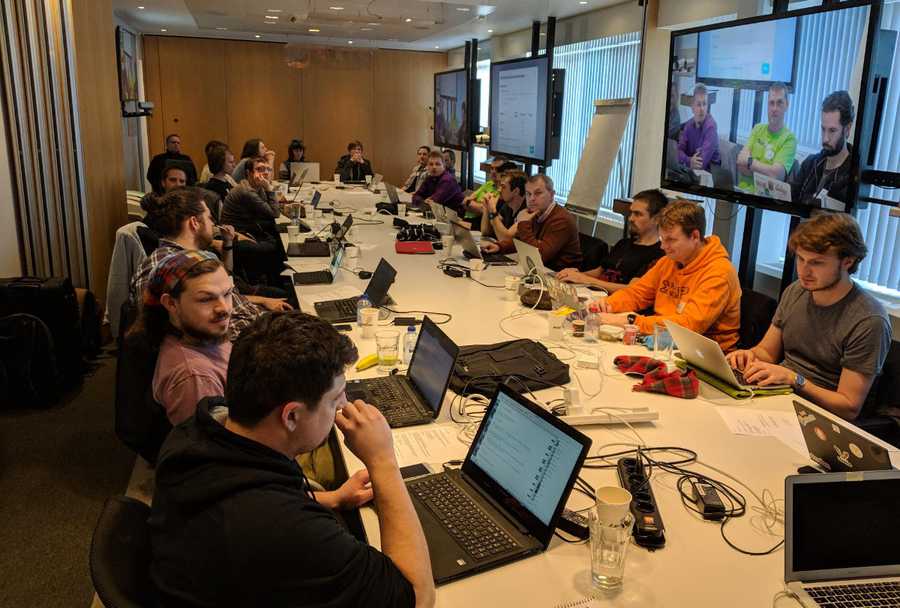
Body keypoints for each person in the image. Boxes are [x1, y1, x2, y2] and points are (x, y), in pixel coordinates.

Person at [149, 311, 436, 608]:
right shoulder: (286, 530)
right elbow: (417, 597)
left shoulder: (197, 430)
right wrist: (382, 461)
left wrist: (332, 499)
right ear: (291, 415)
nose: (344, 404)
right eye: (336, 397)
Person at [727, 213, 890, 420]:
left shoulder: (869, 320)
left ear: (848, 261)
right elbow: (767, 352)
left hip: (819, 416)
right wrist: (749, 355)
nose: (804, 271)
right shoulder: (797, 290)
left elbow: (849, 406)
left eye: (817, 263)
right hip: (778, 396)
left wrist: (796, 380)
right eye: (801, 259)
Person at [130, 188, 290, 341]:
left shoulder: (193, 258)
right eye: (209, 218)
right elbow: (163, 335)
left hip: (254, 328)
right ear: (194, 222)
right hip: (244, 347)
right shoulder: (164, 266)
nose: (213, 224)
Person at [595, 200, 741, 352]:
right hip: (662, 339)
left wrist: (631, 320)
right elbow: (637, 293)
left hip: (703, 353)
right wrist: (608, 305)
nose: (663, 247)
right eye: (662, 239)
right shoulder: (670, 261)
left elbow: (688, 326)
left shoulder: (719, 272)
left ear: (695, 236)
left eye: (671, 240)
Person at [135, 250, 233, 425]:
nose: (224, 308)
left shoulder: (201, 335)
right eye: (206, 300)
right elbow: (216, 449)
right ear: (171, 303)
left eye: (227, 294)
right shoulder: (195, 378)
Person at [556, 189, 667, 292]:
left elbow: (632, 290)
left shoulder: (658, 254)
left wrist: (584, 279)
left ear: (657, 219)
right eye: (631, 213)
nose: (631, 218)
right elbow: (599, 272)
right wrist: (573, 275)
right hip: (593, 294)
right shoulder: (623, 243)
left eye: (638, 214)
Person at [482, 174, 582, 271]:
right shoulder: (536, 212)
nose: (531, 199)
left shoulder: (561, 220)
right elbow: (521, 242)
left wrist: (524, 223)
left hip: (560, 277)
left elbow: (539, 256)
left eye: (538, 193)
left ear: (552, 195)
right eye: (528, 194)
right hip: (541, 271)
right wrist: (499, 246)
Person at [790, 91, 856, 206]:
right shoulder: (810, 163)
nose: (825, 139)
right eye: (823, 129)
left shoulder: (852, 174)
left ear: (847, 129)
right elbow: (791, 201)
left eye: (832, 131)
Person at [737, 82, 797, 192]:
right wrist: (765, 171)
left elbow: (775, 176)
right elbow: (740, 163)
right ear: (767, 105)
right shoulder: (757, 128)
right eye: (771, 103)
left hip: (764, 200)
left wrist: (750, 162)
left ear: (786, 105)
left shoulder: (789, 139)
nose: (774, 108)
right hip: (741, 193)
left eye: (779, 103)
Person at [221, 156, 282, 240]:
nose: (266, 173)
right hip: (236, 236)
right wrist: (268, 188)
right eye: (259, 169)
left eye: (268, 169)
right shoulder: (246, 191)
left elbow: (267, 208)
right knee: (278, 245)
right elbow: (275, 213)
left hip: (249, 227)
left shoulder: (257, 187)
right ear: (249, 173)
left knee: (279, 229)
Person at [677, 83, 720, 172]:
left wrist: (685, 159)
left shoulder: (711, 127)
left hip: (710, 174)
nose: (702, 109)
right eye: (698, 104)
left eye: (704, 104)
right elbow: (678, 152)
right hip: (692, 171)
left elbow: (701, 163)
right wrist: (689, 160)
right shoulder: (688, 125)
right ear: (692, 107)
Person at [480, 169, 527, 241]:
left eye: (503, 187)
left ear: (516, 191)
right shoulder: (507, 206)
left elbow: (505, 239)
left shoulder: (526, 210)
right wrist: (487, 208)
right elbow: (486, 232)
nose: (499, 190)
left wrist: (493, 211)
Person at [140, 165, 188, 232]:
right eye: (173, 180)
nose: (178, 184)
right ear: (163, 183)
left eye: (182, 181)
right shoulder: (155, 208)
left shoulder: (190, 206)